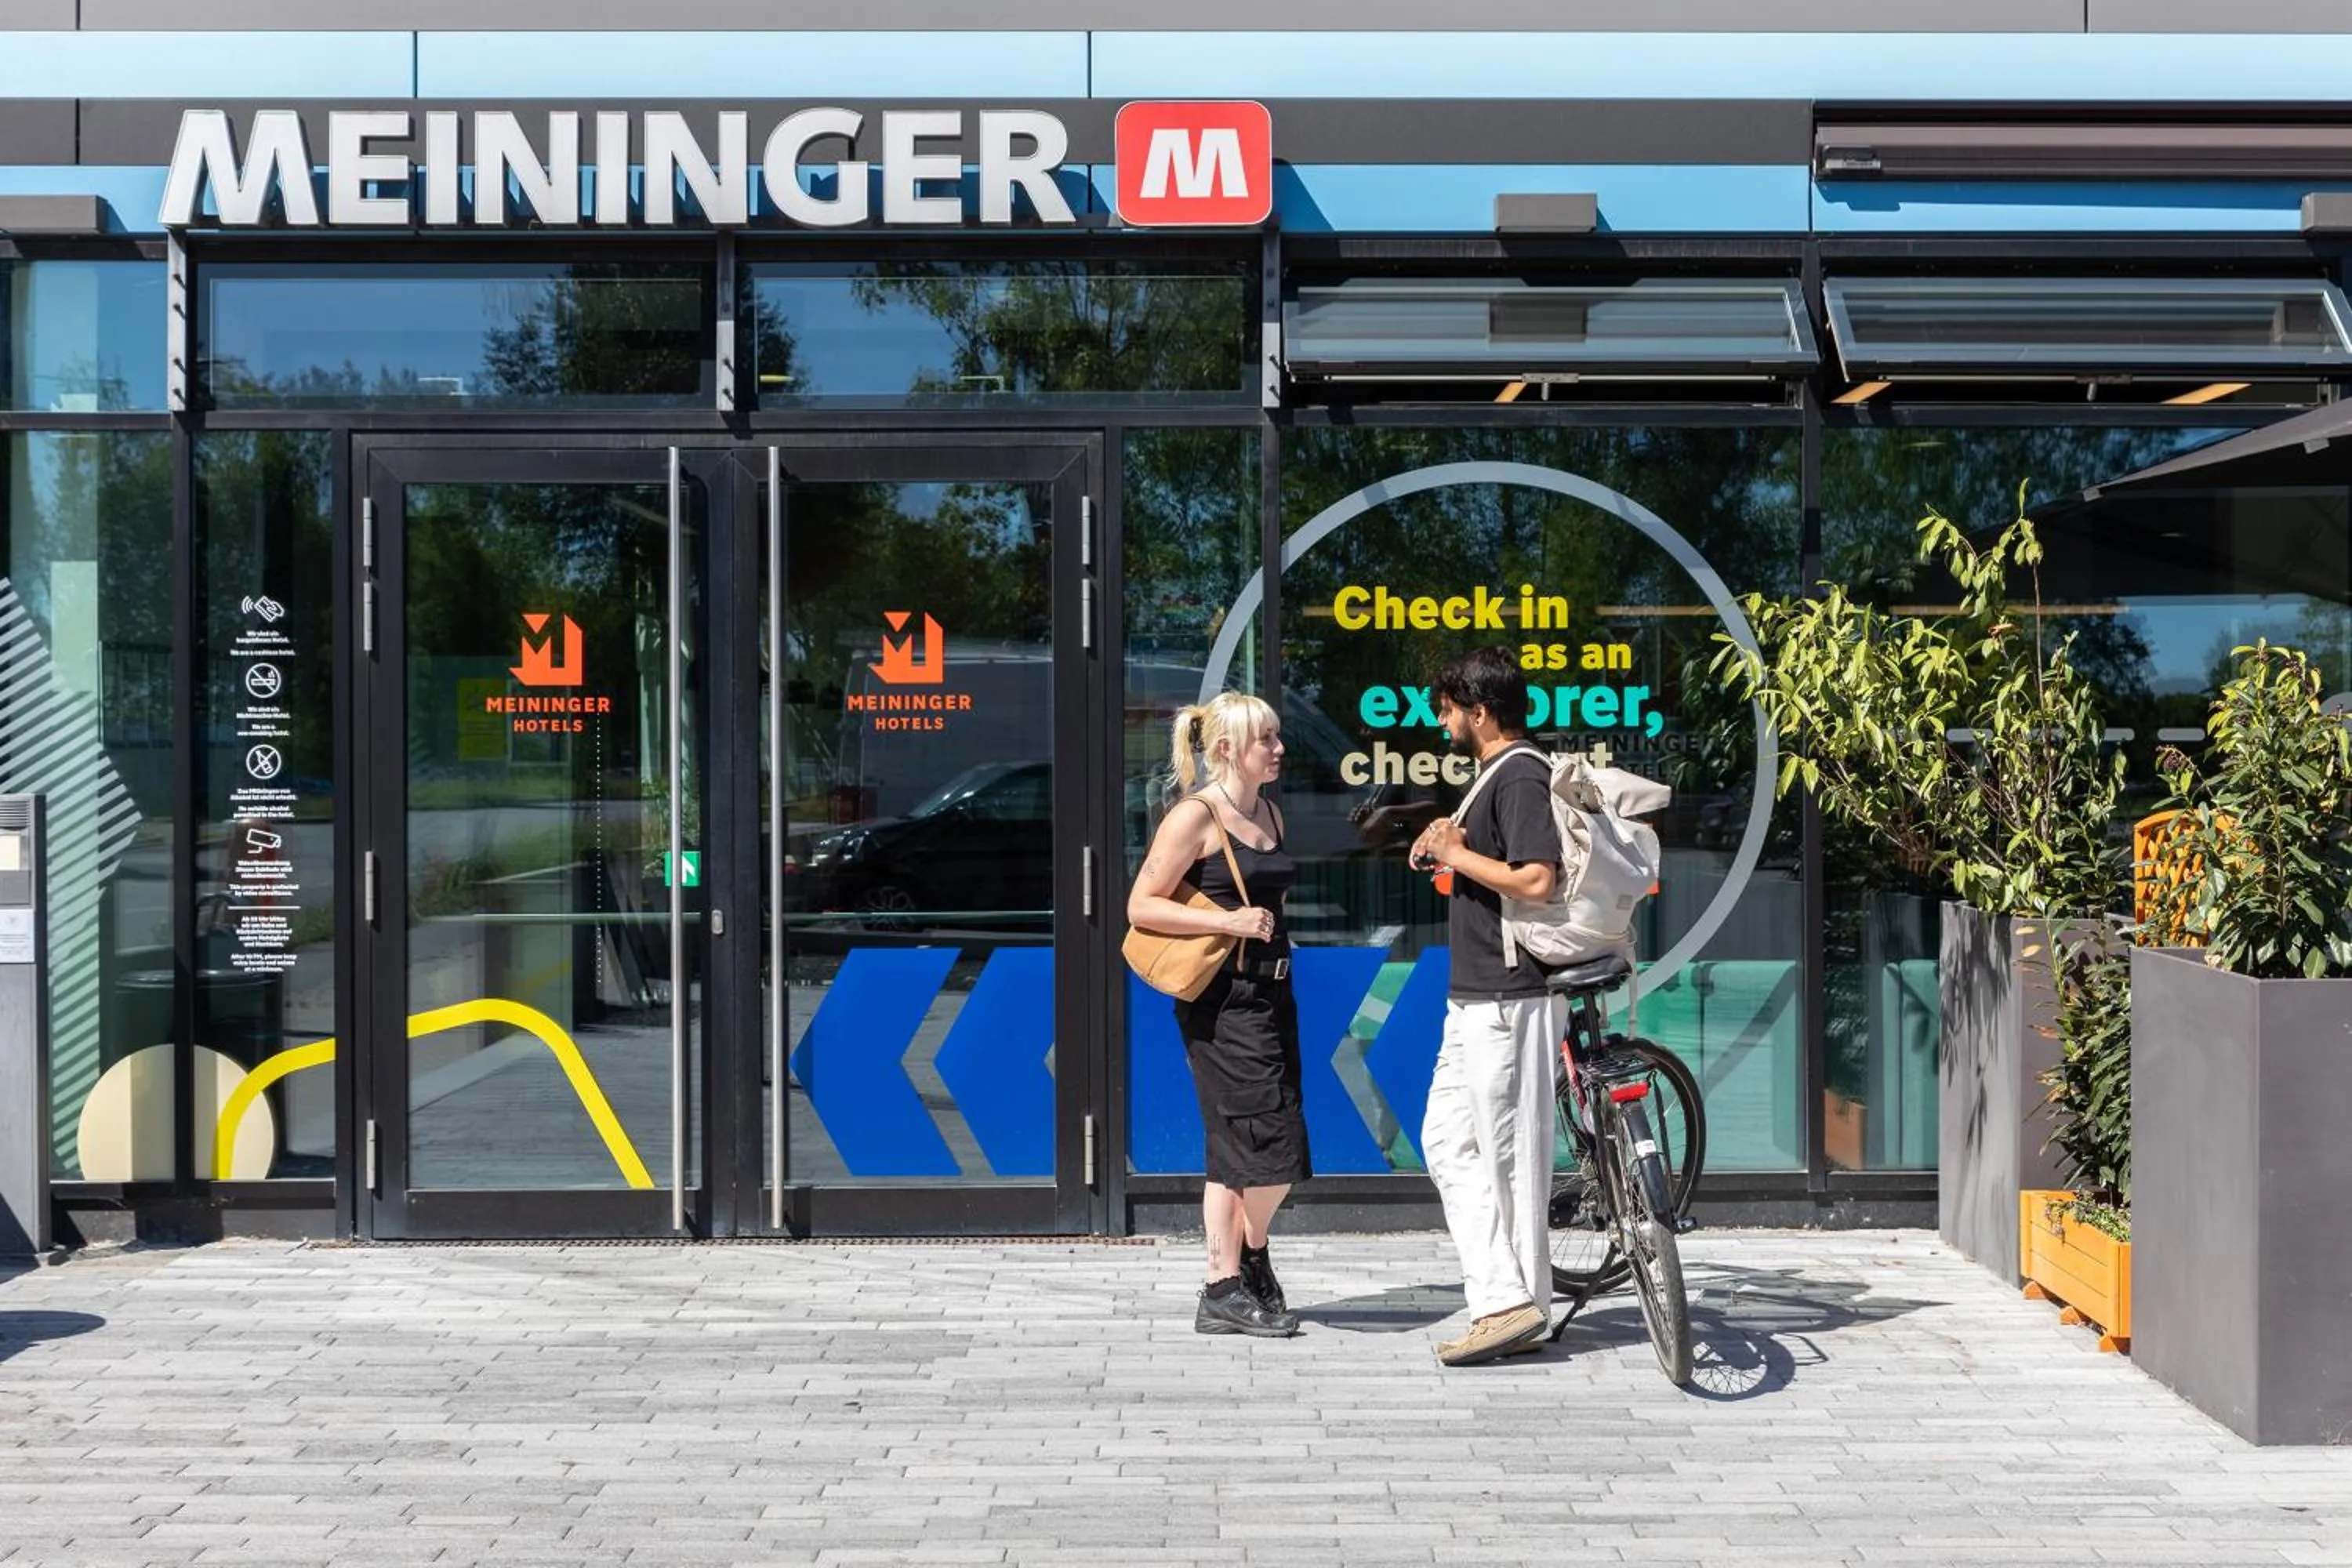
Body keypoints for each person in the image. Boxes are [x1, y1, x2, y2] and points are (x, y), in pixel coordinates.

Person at [1127, 691, 1306, 1338]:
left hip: (1274, 996)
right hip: (1221, 1002)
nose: (1279, 748)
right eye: (1267, 739)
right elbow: (1141, 905)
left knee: (1260, 1144)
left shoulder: (1271, 815)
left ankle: (1242, 1265)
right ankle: (1224, 1281)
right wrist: (1227, 919)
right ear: (1227, 748)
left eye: (1279, 736)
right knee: (1257, 1145)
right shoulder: (1195, 817)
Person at [1408, 647, 1565, 1367]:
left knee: (1512, 1165)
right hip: (1474, 997)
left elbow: (1535, 879)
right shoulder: (1494, 779)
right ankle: (1507, 1299)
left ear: (1480, 712)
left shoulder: (1522, 773)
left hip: (1509, 997)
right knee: (1446, 1140)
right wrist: (1444, 846)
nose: (1442, 725)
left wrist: (1455, 853)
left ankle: (1517, 1308)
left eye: (1447, 712)